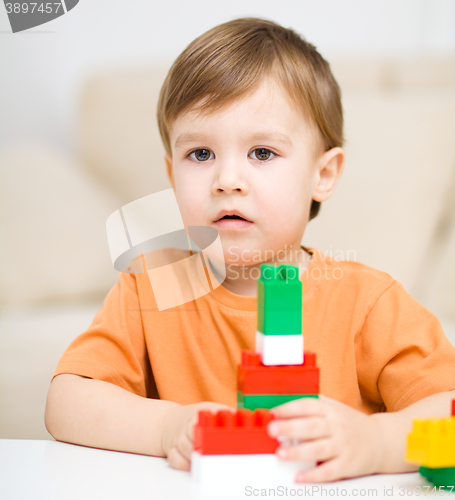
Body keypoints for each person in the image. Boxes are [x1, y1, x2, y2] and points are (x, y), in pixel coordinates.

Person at [45, 17, 455, 483]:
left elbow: (449, 413)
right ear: (170, 173)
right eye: (200, 154)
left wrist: (376, 441)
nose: (227, 181)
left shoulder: (366, 302)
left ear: (322, 175)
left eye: (262, 153)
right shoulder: (152, 284)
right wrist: (166, 426)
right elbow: (67, 402)